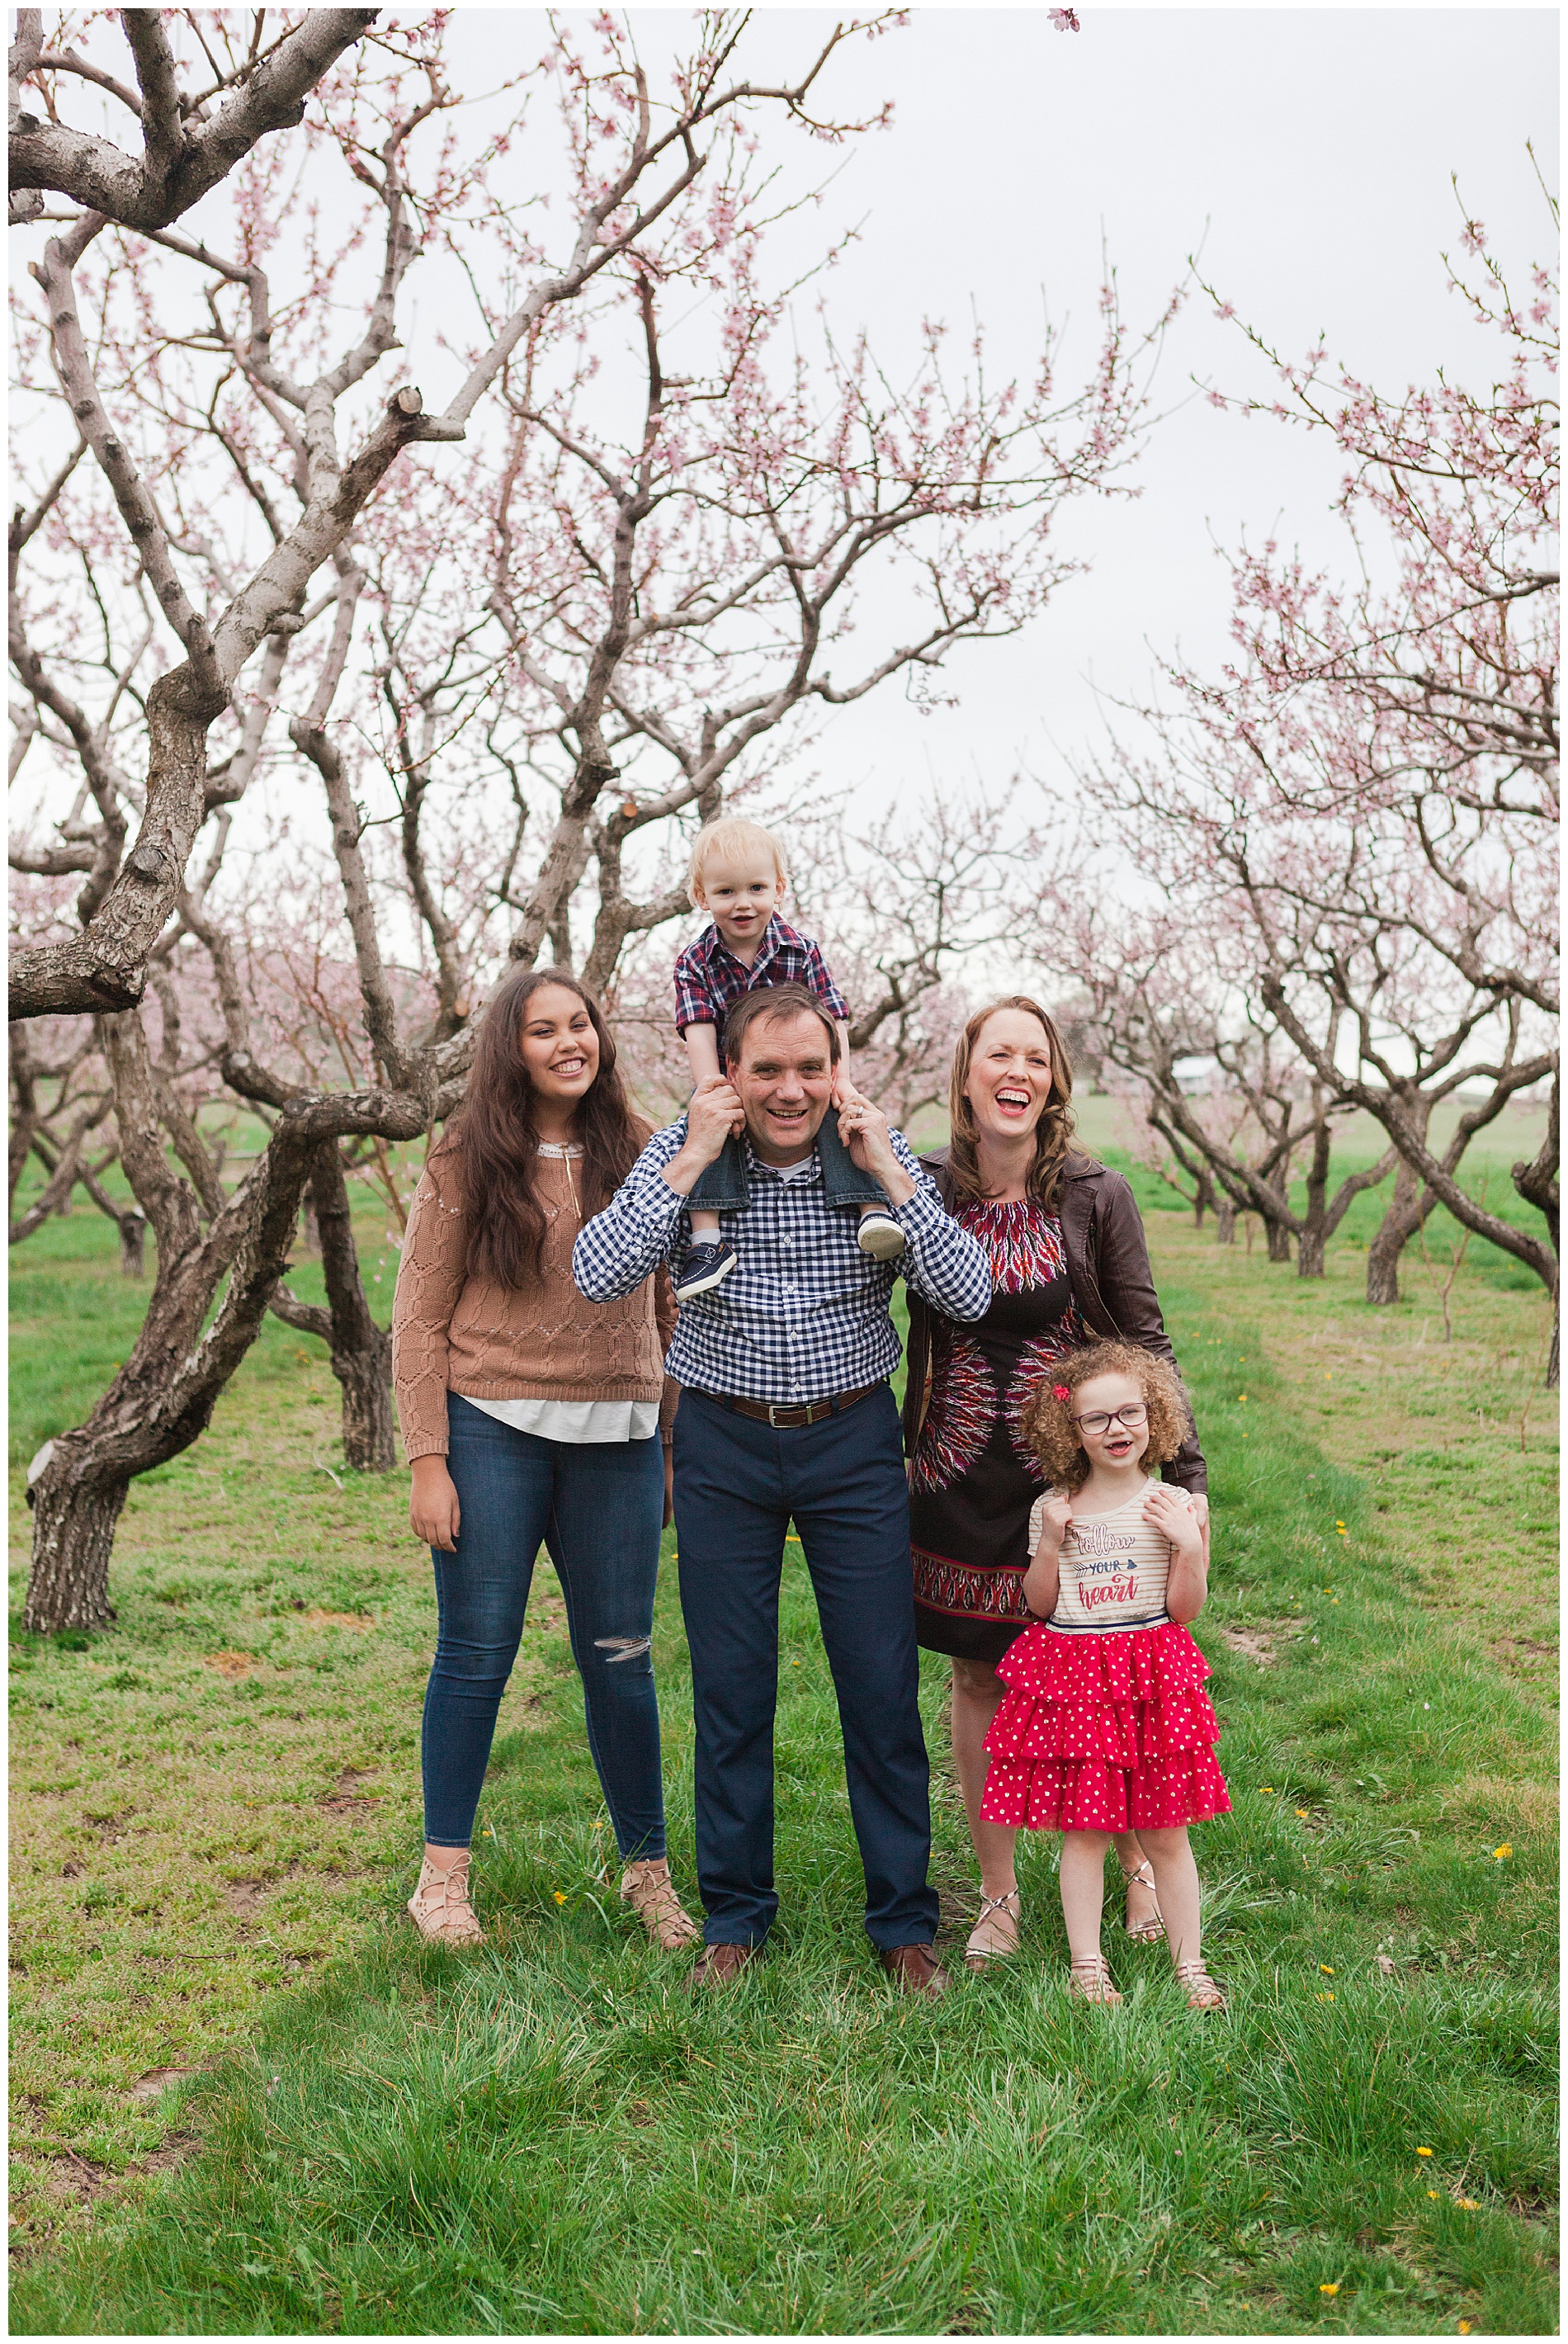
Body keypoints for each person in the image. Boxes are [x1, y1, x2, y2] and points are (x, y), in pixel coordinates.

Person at [573, 982, 992, 1997]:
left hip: (850, 1441)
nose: (791, 1089)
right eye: (767, 1069)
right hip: (724, 1443)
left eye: (811, 1067)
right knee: (731, 1688)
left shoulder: (870, 1153)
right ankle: (737, 1915)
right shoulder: (689, 1155)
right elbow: (596, 1271)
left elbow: (968, 1291)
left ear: (836, 1069)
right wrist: (680, 1162)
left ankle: (901, 1920)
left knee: (879, 1687)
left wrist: (892, 1168)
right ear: (730, 1073)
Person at [391, 966, 699, 1954]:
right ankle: (442, 1880)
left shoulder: (643, 1151)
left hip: (617, 1437)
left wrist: (664, 1438)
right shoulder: (465, 1160)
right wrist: (428, 1459)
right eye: (543, 1029)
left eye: (581, 1024)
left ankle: (647, 1872)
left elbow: (665, 1305)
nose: (570, 1042)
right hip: (492, 1429)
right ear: (508, 1048)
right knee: (477, 1653)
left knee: (621, 1659)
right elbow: (418, 1318)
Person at [901, 997, 1208, 1970]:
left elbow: (1143, 1336)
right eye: (1000, 1053)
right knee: (978, 1673)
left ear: (1053, 1082)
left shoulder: (1094, 1191)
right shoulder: (919, 1187)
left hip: (1076, 1479)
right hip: (954, 1472)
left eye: (1036, 1057)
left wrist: (1185, 1473)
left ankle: (1137, 1862)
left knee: (1106, 1674)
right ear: (965, 1075)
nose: (1018, 1071)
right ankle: (998, 1893)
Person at [980, 1341, 1230, 2011]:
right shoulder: (1053, 1508)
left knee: (1167, 1833)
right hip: (1080, 1681)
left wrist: (1189, 1544)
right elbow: (1038, 1604)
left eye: (1130, 1413)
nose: (1117, 1429)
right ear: (1072, 1431)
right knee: (1084, 1832)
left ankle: (1191, 1967)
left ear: (1155, 1416)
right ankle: (1086, 1966)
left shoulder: (1177, 1503)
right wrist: (1055, 1542)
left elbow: (1186, 1609)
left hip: (1150, 1679)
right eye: (1097, 1419)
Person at [671, 815, 905, 1301]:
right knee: (707, 1135)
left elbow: (833, 1016)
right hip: (737, 1080)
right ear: (701, 895)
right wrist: (713, 1091)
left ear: (778, 889)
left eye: (756, 888)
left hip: (799, 1072)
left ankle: (871, 1212)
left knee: (841, 1124)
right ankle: (707, 1238)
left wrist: (840, 1080)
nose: (743, 904)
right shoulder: (694, 963)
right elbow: (698, 1028)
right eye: (726, 892)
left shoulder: (800, 950)